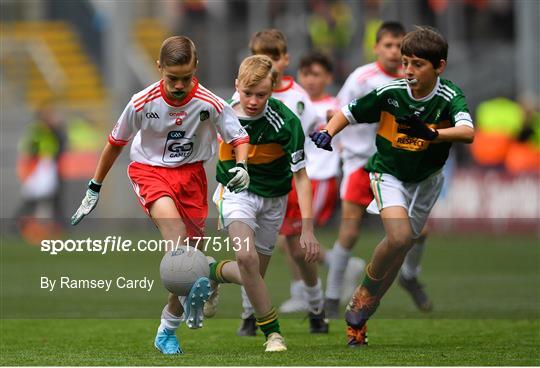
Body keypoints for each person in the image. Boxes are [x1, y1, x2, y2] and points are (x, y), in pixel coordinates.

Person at [70, 36, 250, 355]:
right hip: (150, 171)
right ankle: (196, 279)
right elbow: (115, 143)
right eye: (171, 78)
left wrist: (242, 165)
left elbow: (239, 137)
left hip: (192, 178)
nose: (179, 85)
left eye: (185, 77)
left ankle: (168, 327)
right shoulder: (142, 102)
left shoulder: (210, 103)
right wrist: (94, 186)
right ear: (159, 68)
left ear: (196, 67)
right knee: (178, 246)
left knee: (188, 263)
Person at [310, 26, 474, 346]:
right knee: (399, 237)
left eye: (417, 64)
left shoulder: (449, 96)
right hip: (388, 173)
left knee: (401, 248)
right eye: (405, 62)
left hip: (426, 181)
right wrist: (328, 132)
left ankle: (362, 313)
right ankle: (360, 297)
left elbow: (467, 131)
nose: (408, 71)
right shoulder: (391, 92)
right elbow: (349, 111)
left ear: (439, 66)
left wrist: (432, 134)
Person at [210, 55, 320, 352]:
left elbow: (301, 177)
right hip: (236, 194)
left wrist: (307, 229)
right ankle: (273, 334)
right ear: (237, 87)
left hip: (274, 200)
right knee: (247, 260)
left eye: (262, 95)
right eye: (248, 93)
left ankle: (213, 273)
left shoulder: (286, 122)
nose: (254, 101)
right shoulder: (222, 114)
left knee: (254, 273)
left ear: (273, 90)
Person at [324, 21, 434, 318]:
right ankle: (332, 298)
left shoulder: (411, 79)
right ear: (376, 47)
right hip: (361, 163)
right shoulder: (362, 78)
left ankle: (409, 275)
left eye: (399, 46)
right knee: (349, 231)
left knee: (418, 232)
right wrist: (341, 138)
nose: (393, 52)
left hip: (397, 165)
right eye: (388, 45)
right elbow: (337, 111)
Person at [232, 29, 328, 335]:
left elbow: (313, 131)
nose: (268, 63)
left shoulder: (298, 99)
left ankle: (316, 306)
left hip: (287, 183)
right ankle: (250, 313)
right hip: (251, 186)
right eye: (260, 56)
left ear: (285, 59)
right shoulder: (239, 99)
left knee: (299, 249)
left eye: (273, 57)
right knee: (252, 257)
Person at [297, 51, 365, 306]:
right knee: (287, 240)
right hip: (299, 176)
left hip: (321, 176)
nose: (310, 80)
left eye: (316, 74)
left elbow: (347, 138)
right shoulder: (297, 102)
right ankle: (340, 264)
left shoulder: (334, 108)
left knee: (295, 237)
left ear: (328, 77)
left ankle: (304, 294)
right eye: (306, 74)